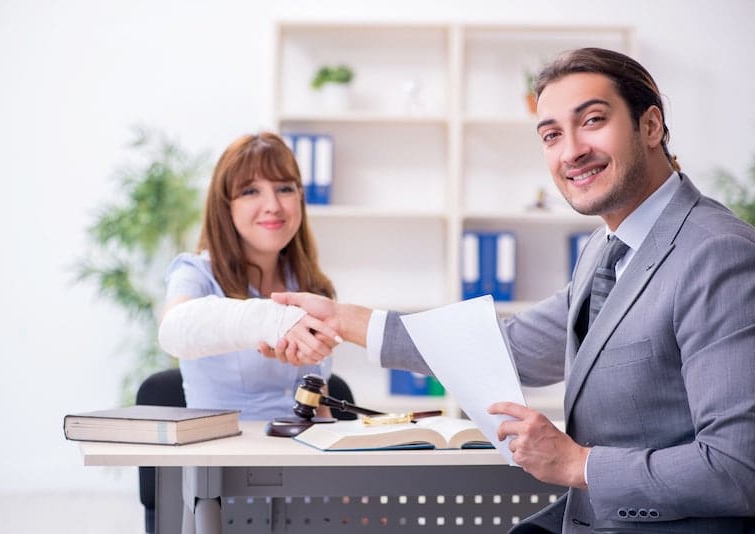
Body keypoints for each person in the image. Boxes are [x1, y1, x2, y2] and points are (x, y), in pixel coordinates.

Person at [265, 48, 755, 532]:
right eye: (551, 134)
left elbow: (738, 470)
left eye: (593, 120)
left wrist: (577, 464)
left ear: (650, 126)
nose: (571, 151)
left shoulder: (716, 254)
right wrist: (343, 319)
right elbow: (509, 346)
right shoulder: (604, 249)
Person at [157, 131, 340, 420]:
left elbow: (320, 408)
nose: (272, 205)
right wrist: (271, 320)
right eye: (250, 191)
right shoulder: (196, 273)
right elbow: (172, 330)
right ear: (225, 205)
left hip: (302, 455)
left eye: (284, 189)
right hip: (228, 457)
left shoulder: (310, 285)